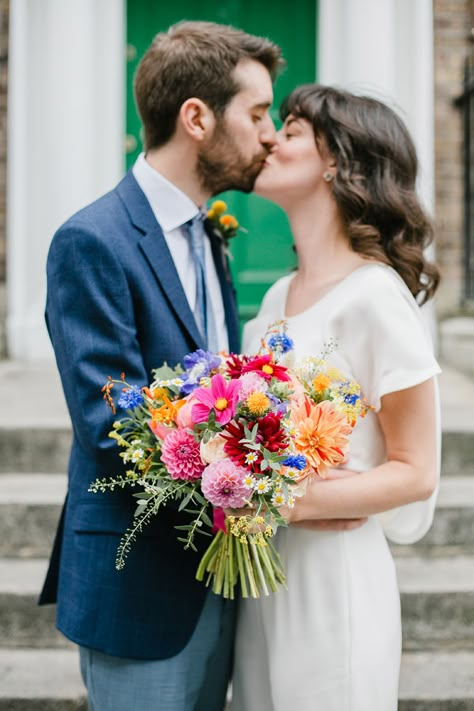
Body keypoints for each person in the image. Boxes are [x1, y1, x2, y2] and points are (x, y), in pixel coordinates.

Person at [39, 21, 283, 711]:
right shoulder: (93, 239)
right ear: (197, 118)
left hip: (216, 571)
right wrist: (252, 459)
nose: (271, 133)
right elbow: (110, 414)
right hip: (137, 578)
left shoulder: (211, 232)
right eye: (258, 113)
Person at [232, 84, 441, 711]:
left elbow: (416, 471)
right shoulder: (275, 297)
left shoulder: (375, 296)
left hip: (334, 577)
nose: (271, 138)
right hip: (263, 574)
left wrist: (284, 499)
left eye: (291, 130)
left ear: (336, 161)